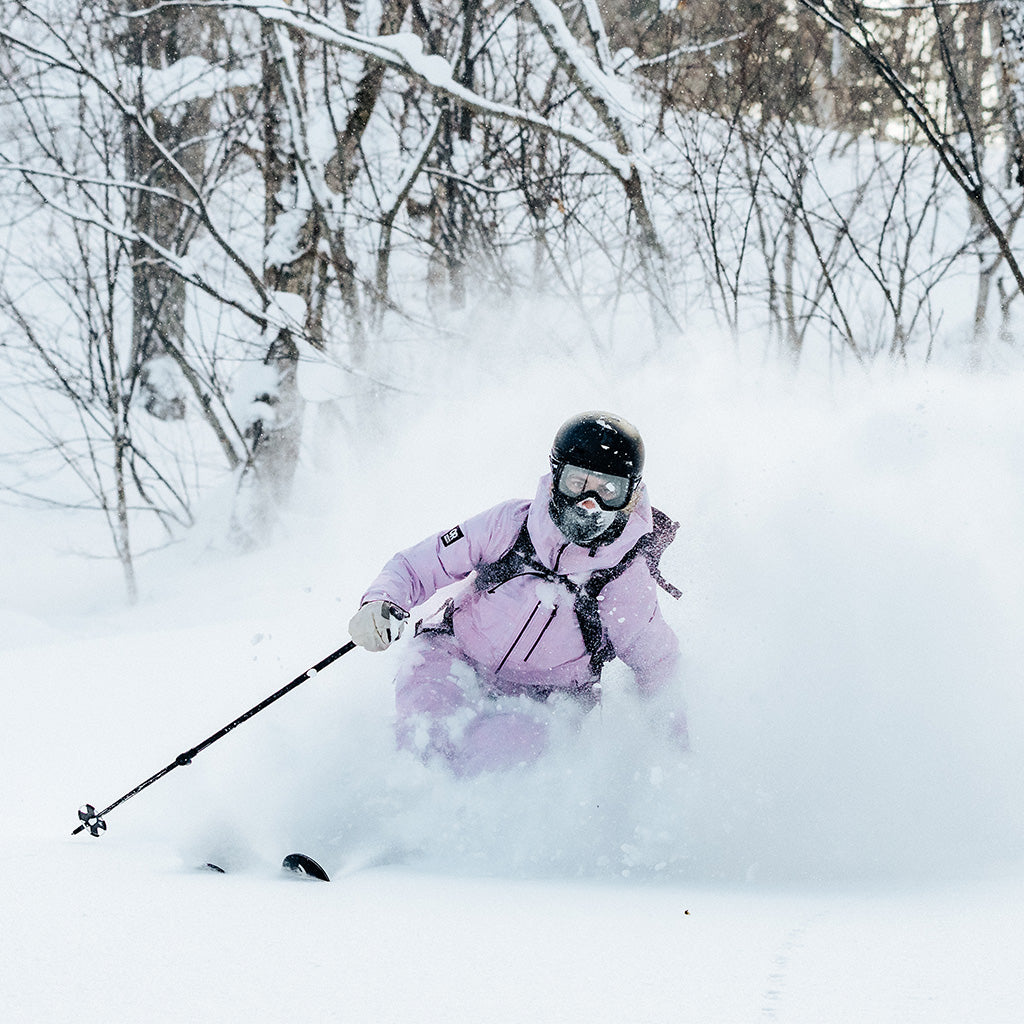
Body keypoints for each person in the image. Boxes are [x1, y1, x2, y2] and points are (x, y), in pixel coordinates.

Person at [348, 411, 687, 775]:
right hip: (455, 653)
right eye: (577, 484)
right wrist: (382, 602)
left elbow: (657, 665)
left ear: (631, 497)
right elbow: (420, 565)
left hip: (546, 698)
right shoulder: (510, 525)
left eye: (608, 492)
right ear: (556, 476)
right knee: (428, 737)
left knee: (493, 761)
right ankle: (394, 809)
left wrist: (674, 752)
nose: (589, 505)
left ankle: (466, 824)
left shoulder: (623, 579)